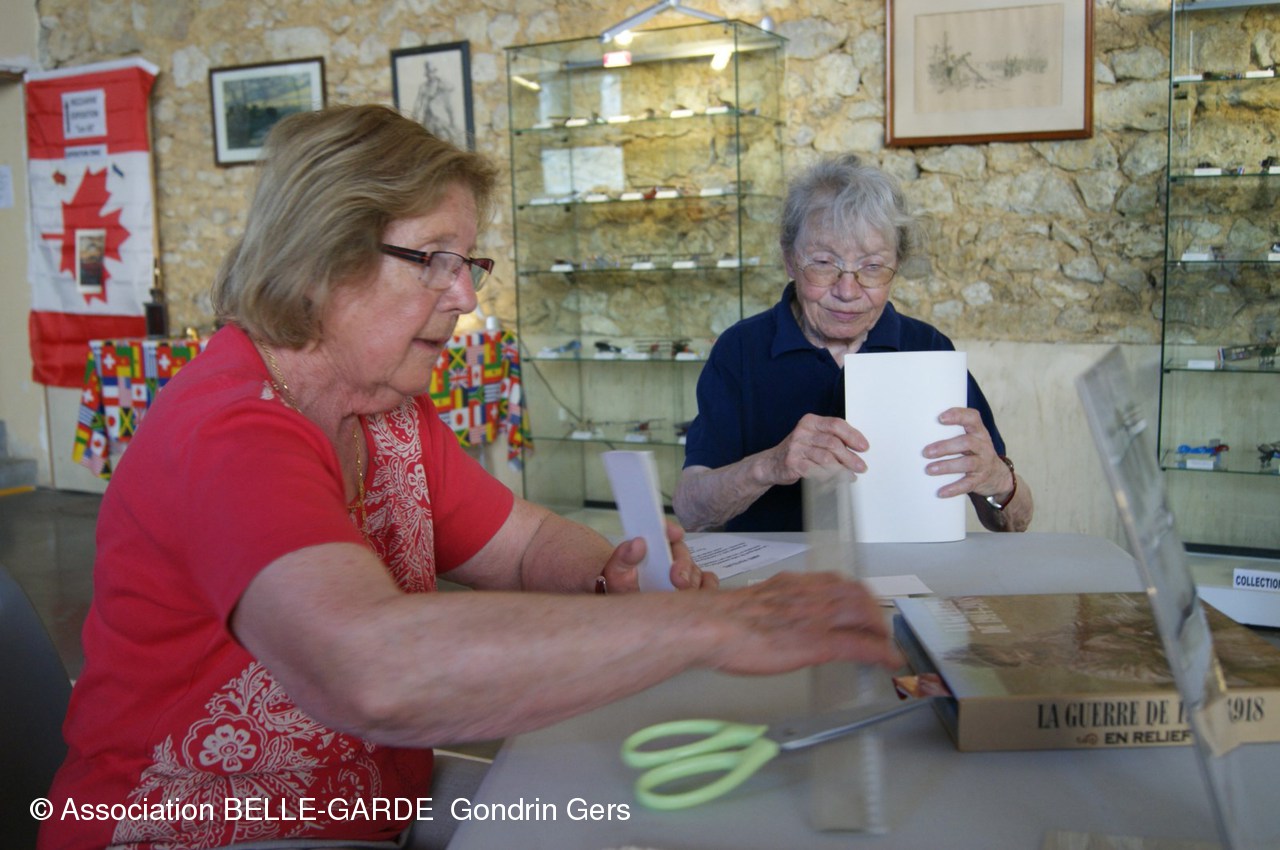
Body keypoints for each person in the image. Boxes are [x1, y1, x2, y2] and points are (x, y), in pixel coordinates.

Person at [40, 106, 901, 850]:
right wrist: (708, 625)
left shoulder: (385, 411)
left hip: (371, 805)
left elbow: (521, 543)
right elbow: (370, 669)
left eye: (467, 264)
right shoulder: (230, 429)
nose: (465, 298)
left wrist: (609, 572)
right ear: (321, 258)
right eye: (435, 260)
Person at [674, 154, 1034, 534]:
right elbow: (691, 511)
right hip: (774, 570)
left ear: (896, 267)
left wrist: (997, 478)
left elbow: (1017, 522)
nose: (847, 291)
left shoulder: (928, 349)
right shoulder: (741, 349)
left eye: (872, 267)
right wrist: (770, 465)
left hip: (906, 567)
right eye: (824, 263)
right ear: (790, 260)